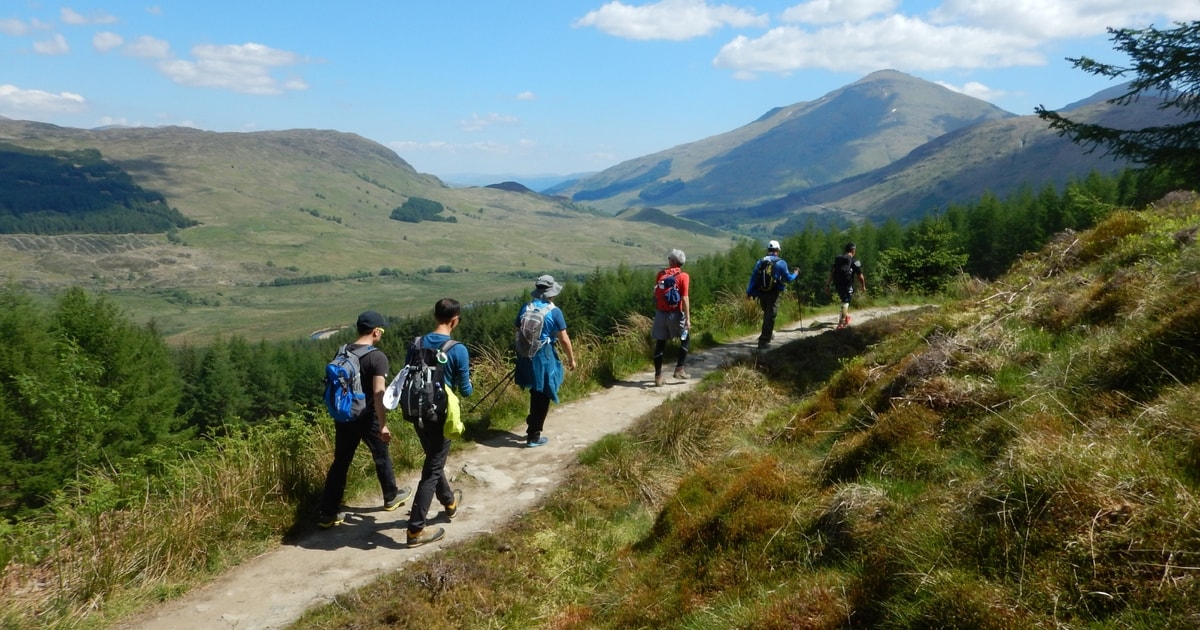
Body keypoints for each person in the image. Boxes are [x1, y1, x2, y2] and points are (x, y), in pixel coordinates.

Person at [317, 310, 411, 529]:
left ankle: (328, 513)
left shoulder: (342, 351)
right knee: (380, 454)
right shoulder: (376, 357)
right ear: (376, 331)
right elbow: (379, 393)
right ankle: (391, 496)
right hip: (366, 416)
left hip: (344, 415)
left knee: (340, 462)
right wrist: (383, 424)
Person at [405, 298, 473, 547]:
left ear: (436, 317)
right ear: (454, 320)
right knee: (432, 468)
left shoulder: (416, 344)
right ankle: (415, 530)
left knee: (434, 459)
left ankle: (449, 503)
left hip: (416, 412)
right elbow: (465, 390)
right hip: (440, 414)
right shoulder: (457, 349)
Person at [514, 275, 577, 447]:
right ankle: (533, 435)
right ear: (551, 292)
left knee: (536, 389)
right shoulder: (554, 311)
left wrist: (522, 350)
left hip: (525, 355)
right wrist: (571, 359)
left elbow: (517, 330)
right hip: (543, 355)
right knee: (544, 392)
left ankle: (532, 420)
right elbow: (564, 339)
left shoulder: (525, 307)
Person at [746, 240, 798, 349]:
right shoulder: (781, 263)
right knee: (771, 315)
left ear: (768, 250)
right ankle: (764, 341)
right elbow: (788, 278)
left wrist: (749, 292)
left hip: (761, 293)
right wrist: (796, 274)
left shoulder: (760, 262)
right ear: (777, 250)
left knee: (767, 314)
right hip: (774, 293)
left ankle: (768, 334)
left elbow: (753, 278)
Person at [652, 249, 691, 387]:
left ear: (673, 261)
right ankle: (679, 369)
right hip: (675, 313)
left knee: (660, 345)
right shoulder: (683, 276)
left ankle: (658, 377)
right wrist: (687, 318)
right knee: (685, 338)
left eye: (669, 258)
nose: (668, 260)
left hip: (660, 314)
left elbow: (655, 292)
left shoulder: (661, 274)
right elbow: (685, 298)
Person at [826, 242, 867, 329]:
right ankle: (841, 324)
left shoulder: (838, 260)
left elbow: (832, 273)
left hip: (838, 284)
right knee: (845, 303)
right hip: (847, 285)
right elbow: (860, 276)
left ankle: (846, 317)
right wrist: (863, 286)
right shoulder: (854, 261)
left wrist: (827, 285)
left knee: (843, 301)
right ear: (853, 251)